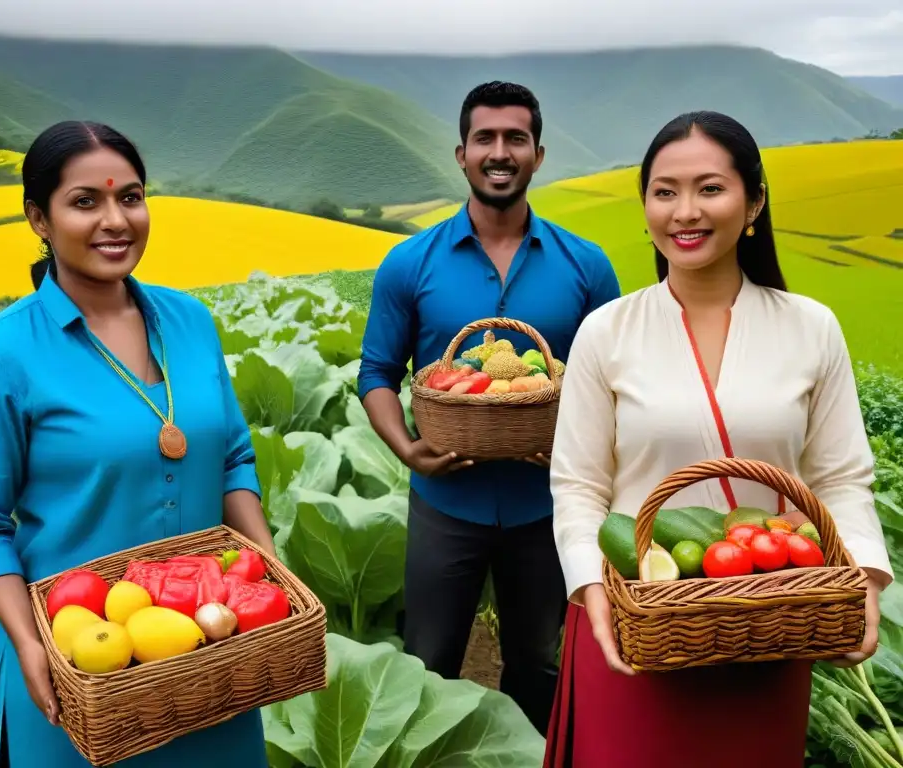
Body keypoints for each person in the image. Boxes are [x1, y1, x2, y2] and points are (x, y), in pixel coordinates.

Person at [543, 110, 893, 767]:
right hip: (633, 625)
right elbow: (579, 486)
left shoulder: (811, 328)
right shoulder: (606, 332)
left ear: (754, 201)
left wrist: (865, 582)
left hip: (766, 623)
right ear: (645, 205)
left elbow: (842, 477)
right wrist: (592, 593)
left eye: (710, 188)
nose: (685, 211)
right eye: (665, 191)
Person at [0, 120, 275, 768]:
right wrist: (31, 644)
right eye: (85, 201)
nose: (115, 220)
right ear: (39, 218)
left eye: (130, 197)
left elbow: (233, 456)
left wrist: (266, 575)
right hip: (78, 668)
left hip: (209, 654)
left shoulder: (191, 322)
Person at [356, 81, 621, 736]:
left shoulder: (586, 266)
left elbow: (615, 383)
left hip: (549, 505)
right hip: (446, 502)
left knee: (540, 662)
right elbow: (377, 373)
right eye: (486, 138)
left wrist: (578, 451)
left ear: (538, 153)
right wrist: (407, 449)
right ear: (461, 153)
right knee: (430, 659)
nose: (499, 152)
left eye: (515, 139)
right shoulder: (408, 263)